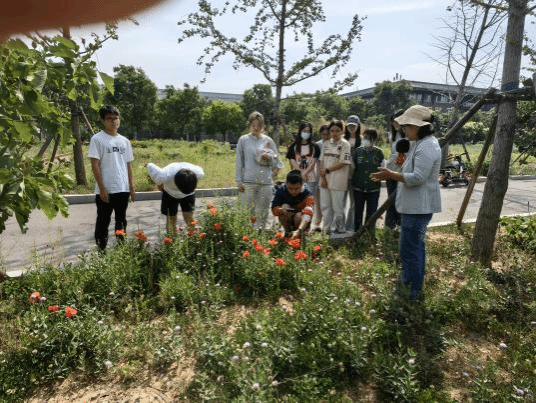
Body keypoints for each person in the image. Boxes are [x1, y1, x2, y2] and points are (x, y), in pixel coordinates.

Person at [371, 105, 442, 300]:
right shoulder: (421, 143)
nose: (404, 130)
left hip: (418, 207)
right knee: (411, 248)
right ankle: (409, 283)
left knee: (411, 249)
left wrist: (391, 174)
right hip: (414, 206)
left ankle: (412, 291)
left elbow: (418, 177)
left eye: (407, 126)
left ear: (418, 127)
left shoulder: (427, 146)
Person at [88, 105, 136, 251]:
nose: (113, 121)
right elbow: (95, 165)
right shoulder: (97, 139)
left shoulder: (125, 141)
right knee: (103, 221)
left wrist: (131, 186)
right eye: (109, 118)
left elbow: (128, 165)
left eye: (116, 118)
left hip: (122, 189)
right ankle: (101, 251)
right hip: (106, 190)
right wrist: (102, 188)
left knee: (121, 221)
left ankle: (121, 250)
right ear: (103, 121)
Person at [235, 111, 283, 230]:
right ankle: (246, 234)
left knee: (262, 211)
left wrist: (269, 159)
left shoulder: (268, 141)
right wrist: (239, 181)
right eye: (253, 125)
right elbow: (239, 161)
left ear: (263, 126)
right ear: (249, 125)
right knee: (246, 211)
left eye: (259, 125)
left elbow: (277, 162)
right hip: (248, 181)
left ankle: (261, 233)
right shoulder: (243, 140)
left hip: (265, 181)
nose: (256, 128)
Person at [146, 162, 205, 234]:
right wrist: (160, 184)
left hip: (188, 195)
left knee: (189, 217)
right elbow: (150, 166)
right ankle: (171, 237)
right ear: (175, 182)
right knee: (171, 218)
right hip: (170, 193)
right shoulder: (165, 175)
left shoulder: (198, 173)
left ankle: (193, 236)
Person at [318, 120, 352, 234]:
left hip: (338, 180)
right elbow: (321, 161)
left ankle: (340, 229)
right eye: (332, 131)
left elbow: (344, 162)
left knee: (337, 207)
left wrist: (327, 170)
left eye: (337, 131)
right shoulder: (326, 143)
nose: (334, 133)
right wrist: (323, 178)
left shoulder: (345, 144)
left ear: (342, 131)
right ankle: (326, 229)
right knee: (325, 206)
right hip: (325, 180)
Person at [351, 128, 385, 237]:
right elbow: (352, 169)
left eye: (369, 138)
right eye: (365, 137)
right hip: (358, 188)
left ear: (374, 139)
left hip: (373, 189)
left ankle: (369, 236)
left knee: (371, 214)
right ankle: (357, 234)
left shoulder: (379, 153)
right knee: (358, 213)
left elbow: (382, 169)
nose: (366, 140)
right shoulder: (357, 152)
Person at [271, 170, 314, 239]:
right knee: (283, 209)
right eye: (290, 188)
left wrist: (299, 230)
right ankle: (288, 233)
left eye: (296, 189)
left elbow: (308, 214)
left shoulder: (308, 193)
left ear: (302, 185)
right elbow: (274, 210)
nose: (293, 191)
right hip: (288, 217)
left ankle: (300, 235)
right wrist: (281, 210)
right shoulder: (281, 190)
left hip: (301, 220)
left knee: (298, 216)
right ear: (286, 184)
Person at [384, 109, 406, 232]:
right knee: (391, 199)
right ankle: (390, 226)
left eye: (397, 121)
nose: (395, 124)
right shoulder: (392, 135)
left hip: (402, 172)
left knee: (399, 199)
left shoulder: (408, 136)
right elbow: (393, 154)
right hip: (390, 170)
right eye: (393, 121)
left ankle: (400, 225)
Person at [286, 122, 321, 194]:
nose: (306, 133)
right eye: (304, 131)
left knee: (309, 198)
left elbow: (313, 162)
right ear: (300, 131)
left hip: (311, 178)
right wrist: (301, 174)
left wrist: (304, 173)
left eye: (308, 131)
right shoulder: (294, 146)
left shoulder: (314, 146)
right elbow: (293, 161)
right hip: (297, 178)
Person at [344, 115, 362, 232]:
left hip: (356, 175)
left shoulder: (362, 140)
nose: (351, 128)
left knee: (354, 202)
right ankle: (339, 225)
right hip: (343, 175)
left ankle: (349, 226)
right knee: (341, 202)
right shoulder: (342, 139)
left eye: (353, 126)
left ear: (358, 126)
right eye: (349, 125)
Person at [310, 124, 330, 232]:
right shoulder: (317, 145)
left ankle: (327, 225)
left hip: (331, 176)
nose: (325, 136)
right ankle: (317, 224)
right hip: (318, 176)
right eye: (323, 134)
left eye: (327, 134)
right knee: (318, 203)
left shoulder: (334, 144)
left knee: (328, 203)